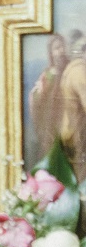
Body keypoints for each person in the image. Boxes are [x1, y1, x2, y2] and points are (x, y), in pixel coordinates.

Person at [30, 33, 68, 161]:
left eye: (62, 47)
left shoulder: (70, 69)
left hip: (66, 117)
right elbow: (36, 97)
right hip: (51, 120)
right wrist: (38, 93)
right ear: (51, 53)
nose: (61, 51)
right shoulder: (46, 74)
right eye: (57, 48)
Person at [59, 30, 86, 182]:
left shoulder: (72, 69)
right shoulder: (79, 71)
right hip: (77, 132)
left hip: (72, 129)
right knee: (79, 176)